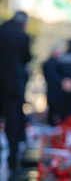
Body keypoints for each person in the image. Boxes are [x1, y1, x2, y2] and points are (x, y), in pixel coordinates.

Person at [0, 11, 31, 169]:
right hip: (12, 86)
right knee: (13, 123)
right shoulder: (21, 36)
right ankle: (12, 159)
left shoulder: (2, 29)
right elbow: (26, 58)